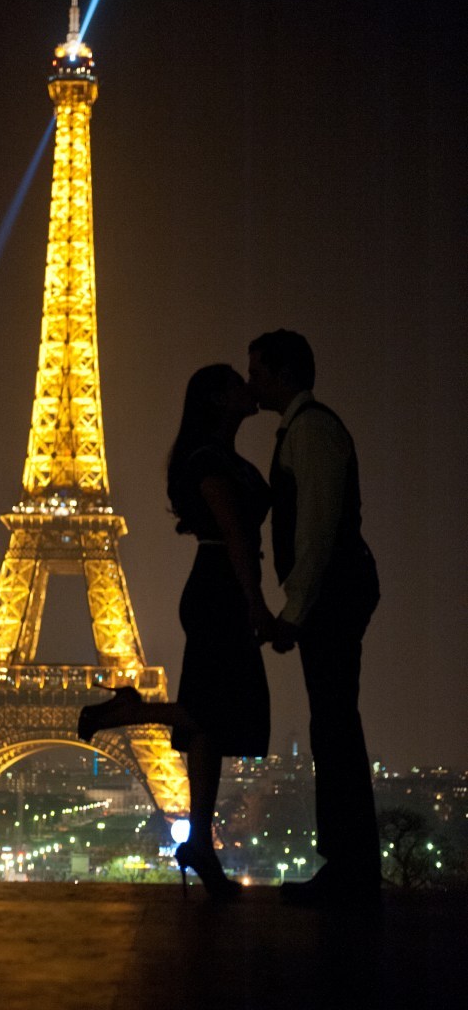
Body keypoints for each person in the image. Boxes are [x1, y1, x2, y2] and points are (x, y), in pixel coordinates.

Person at [77, 364, 274, 900]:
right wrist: (256, 600)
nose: (245, 388)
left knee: (209, 725)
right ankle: (125, 712)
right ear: (216, 398)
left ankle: (201, 845)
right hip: (221, 587)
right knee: (216, 711)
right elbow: (235, 532)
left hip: (219, 583)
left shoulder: (219, 458)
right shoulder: (208, 461)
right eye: (236, 382)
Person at [247, 329, 381, 905]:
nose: (251, 382)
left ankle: (349, 869)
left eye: (256, 371)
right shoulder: (307, 430)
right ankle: (349, 865)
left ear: (280, 373)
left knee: (334, 725)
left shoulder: (312, 432)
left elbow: (318, 530)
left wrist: (294, 611)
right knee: (333, 724)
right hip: (336, 592)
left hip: (331, 595)